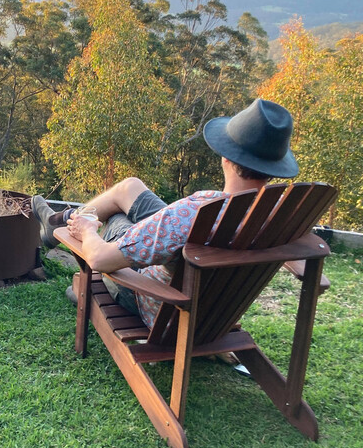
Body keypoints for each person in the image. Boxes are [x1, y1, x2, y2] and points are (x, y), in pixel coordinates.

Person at [32, 98, 299, 328]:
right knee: (130, 187)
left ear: (226, 157)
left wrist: (89, 230)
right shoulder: (281, 215)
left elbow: (100, 259)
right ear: (274, 167)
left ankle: (66, 243)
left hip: (164, 307)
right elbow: (312, 271)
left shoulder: (196, 210)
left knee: (115, 219)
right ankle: (56, 222)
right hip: (212, 314)